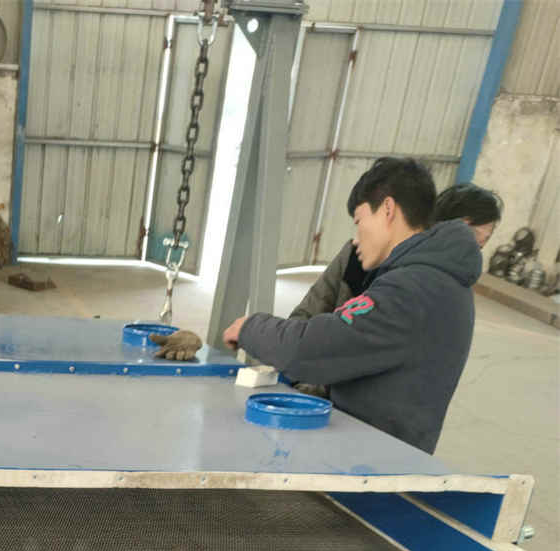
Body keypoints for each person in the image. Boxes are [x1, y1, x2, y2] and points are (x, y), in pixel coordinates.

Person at [156, 157, 480, 454]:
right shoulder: (439, 280)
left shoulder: (412, 288)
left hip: (371, 462)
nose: (356, 238)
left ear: (387, 209)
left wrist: (249, 328)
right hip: (381, 449)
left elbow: (313, 347)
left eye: (359, 220)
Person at [287, 180, 502, 324]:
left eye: (480, 246)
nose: (470, 251)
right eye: (469, 236)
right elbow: (305, 316)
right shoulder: (357, 256)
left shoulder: (447, 292)